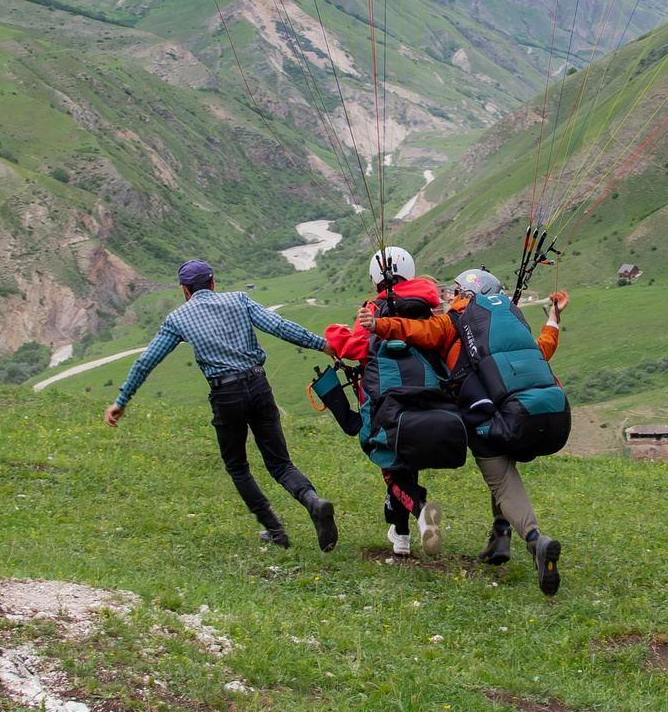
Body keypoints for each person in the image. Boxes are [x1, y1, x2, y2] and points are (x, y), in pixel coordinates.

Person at [362, 266, 571, 595]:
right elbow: (542, 349)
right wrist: (554, 317)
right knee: (505, 472)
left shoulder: (453, 321)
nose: (449, 297)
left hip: (486, 418)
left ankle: (536, 541)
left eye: (455, 291)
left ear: (467, 296)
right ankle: (500, 537)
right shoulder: (511, 323)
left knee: (502, 481)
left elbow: (419, 331)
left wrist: (379, 325)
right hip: (534, 412)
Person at [105, 260, 339, 551]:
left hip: (226, 394)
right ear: (213, 283)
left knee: (237, 465)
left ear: (184, 290)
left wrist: (121, 400)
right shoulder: (239, 299)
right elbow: (278, 326)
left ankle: (276, 531)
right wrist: (322, 344)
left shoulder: (178, 318)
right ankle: (313, 502)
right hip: (258, 384)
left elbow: (146, 362)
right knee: (279, 463)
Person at [323, 246, 453, 559]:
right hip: (428, 396)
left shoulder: (375, 309)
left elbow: (356, 347)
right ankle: (402, 538)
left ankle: (422, 513)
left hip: (384, 399)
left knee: (391, 468)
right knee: (407, 460)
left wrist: (333, 334)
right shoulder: (429, 308)